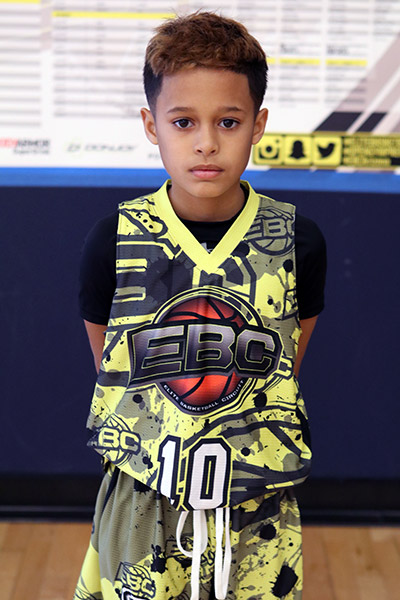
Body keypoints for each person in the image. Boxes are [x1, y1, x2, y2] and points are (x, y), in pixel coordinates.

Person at [75, 11, 326, 600]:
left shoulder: (296, 240)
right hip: (144, 497)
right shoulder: (115, 240)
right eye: (183, 121)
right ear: (151, 124)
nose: (207, 142)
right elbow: (113, 369)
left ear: (258, 124)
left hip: (258, 503)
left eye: (228, 121)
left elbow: (284, 367)